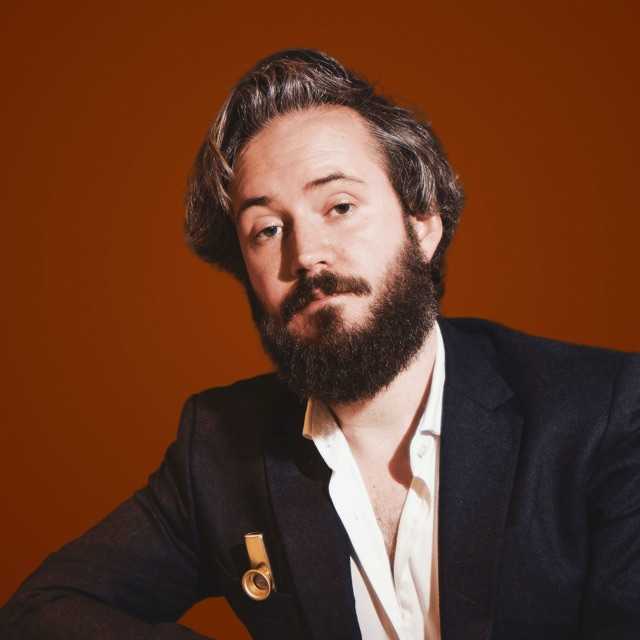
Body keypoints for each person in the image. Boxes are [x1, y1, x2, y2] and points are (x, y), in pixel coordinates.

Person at [1, 48, 639, 640]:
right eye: (267, 229)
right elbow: (41, 611)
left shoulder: (603, 412)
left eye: (339, 206)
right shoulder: (219, 449)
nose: (306, 256)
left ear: (422, 225)